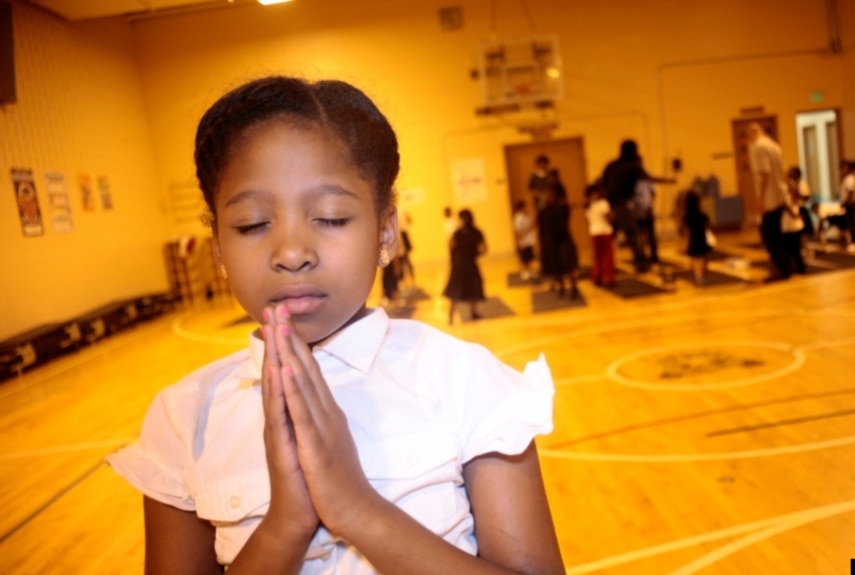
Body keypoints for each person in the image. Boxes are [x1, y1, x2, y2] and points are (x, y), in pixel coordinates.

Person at [106, 76, 565, 575]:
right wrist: (286, 524)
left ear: (385, 232)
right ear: (218, 248)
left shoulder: (465, 380)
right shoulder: (183, 418)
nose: (291, 253)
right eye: (252, 224)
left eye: (329, 218)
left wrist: (357, 509)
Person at [601, 139, 673, 273]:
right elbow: (649, 178)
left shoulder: (611, 165)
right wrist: (668, 180)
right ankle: (641, 264)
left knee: (612, 237)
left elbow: (602, 183)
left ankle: (604, 264)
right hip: (621, 205)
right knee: (632, 234)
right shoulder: (632, 166)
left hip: (610, 205)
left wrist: (606, 205)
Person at [747, 123, 791, 280]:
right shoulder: (775, 146)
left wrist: (761, 198)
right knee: (777, 234)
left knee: (769, 237)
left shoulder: (759, 147)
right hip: (779, 194)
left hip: (770, 198)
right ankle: (786, 267)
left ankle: (780, 269)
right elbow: (783, 171)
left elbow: (765, 172)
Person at [443, 208, 488, 324]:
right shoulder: (477, 231)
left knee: (455, 290)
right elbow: (484, 249)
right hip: (471, 263)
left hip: (459, 264)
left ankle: (450, 317)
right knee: (473, 287)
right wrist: (475, 253)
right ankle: (473, 313)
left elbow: (451, 245)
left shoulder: (457, 232)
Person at [537, 176, 579, 298]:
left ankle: (573, 287)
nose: (546, 197)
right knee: (555, 267)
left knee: (568, 264)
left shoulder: (562, 208)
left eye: (549, 194)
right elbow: (542, 229)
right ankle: (561, 287)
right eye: (545, 195)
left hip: (564, 240)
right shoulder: (543, 212)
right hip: (550, 242)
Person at [585, 182, 615, 287]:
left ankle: (596, 277)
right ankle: (609, 279)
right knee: (607, 256)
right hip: (605, 232)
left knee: (597, 257)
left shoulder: (588, 206)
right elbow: (609, 218)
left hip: (594, 232)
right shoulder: (603, 203)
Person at [682, 190, 713, 285]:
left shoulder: (687, 217)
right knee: (703, 257)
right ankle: (702, 272)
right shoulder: (703, 215)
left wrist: (685, 244)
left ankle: (697, 275)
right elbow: (709, 227)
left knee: (695, 259)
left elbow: (687, 232)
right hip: (702, 239)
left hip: (693, 240)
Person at [512, 199, 538, 281]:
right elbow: (517, 230)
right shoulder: (518, 218)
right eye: (525, 207)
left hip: (529, 240)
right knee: (524, 257)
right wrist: (519, 240)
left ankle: (530, 270)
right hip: (523, 240)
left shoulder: (527, 215)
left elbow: (533, 224)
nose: (526, 208)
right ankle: (525, 271)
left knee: (529, 256)